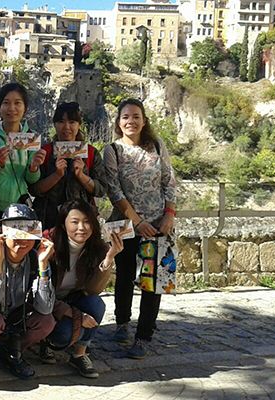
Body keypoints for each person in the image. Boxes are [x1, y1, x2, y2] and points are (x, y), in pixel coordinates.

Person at [102, 98, 177, 359]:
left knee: (153, 281)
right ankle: (122, 322)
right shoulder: (112, 150)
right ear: (118, 122)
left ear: (144, 120)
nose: (130, 121)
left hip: (158, 224)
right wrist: (138, 221)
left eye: (135, 116)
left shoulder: (156, 146)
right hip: (124, 223)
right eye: (125, 117)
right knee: (123, 276)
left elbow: (169, 180)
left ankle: (143, 336)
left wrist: (169, 214)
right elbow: (113, 189)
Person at [0, 204, 56, 380]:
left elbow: (45, 309)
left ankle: (13, 349)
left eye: (28, 231)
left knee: (46, 322)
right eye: (15, 231)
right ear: (3, 233)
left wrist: (43, 266)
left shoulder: (36, 257)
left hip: (16, 314)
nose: (22, 239)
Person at [41, 200, 123, 378]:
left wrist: (109, 258)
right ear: (63, 224)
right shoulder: (47, 244)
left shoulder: (97, 247)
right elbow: (38, 293)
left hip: (72, 299)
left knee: (96, 304)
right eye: (75, 222)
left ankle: (79, 353)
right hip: (46, 305)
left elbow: (93, 290)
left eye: (87, 222)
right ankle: (45, 342)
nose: (82, 227)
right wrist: (76, 315)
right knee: (63, 334)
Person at [0, 83, 46, 237]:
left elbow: (31, 179)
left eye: (17, 103)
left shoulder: (31, 138)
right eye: (6, 103)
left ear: (25, 108)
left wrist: (34, 167)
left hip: (18, 207)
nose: (11, 108)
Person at [30, 102, 106, 230]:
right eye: (61, 121)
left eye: (72, 122)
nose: (66, 127)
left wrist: (81, 175)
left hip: (82, 222)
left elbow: (101, 190)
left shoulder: (91, 153)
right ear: (54, 124)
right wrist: (56, 175)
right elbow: (34, 189)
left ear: (79, 125)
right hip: (48, 221)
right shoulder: (44, 152)